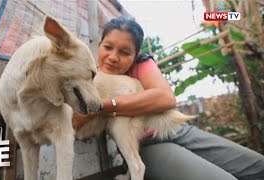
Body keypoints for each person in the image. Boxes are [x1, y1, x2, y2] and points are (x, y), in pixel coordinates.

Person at [72, 16, 264, 180]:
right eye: (108, 47)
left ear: (135, 55)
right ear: (99, 46)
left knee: (259, 167)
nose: (113, 57)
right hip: (145, 145)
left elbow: (165, 99)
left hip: (175, 129)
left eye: (125, 52)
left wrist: (103, 105)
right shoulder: (90, 79)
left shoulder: (141, 64)